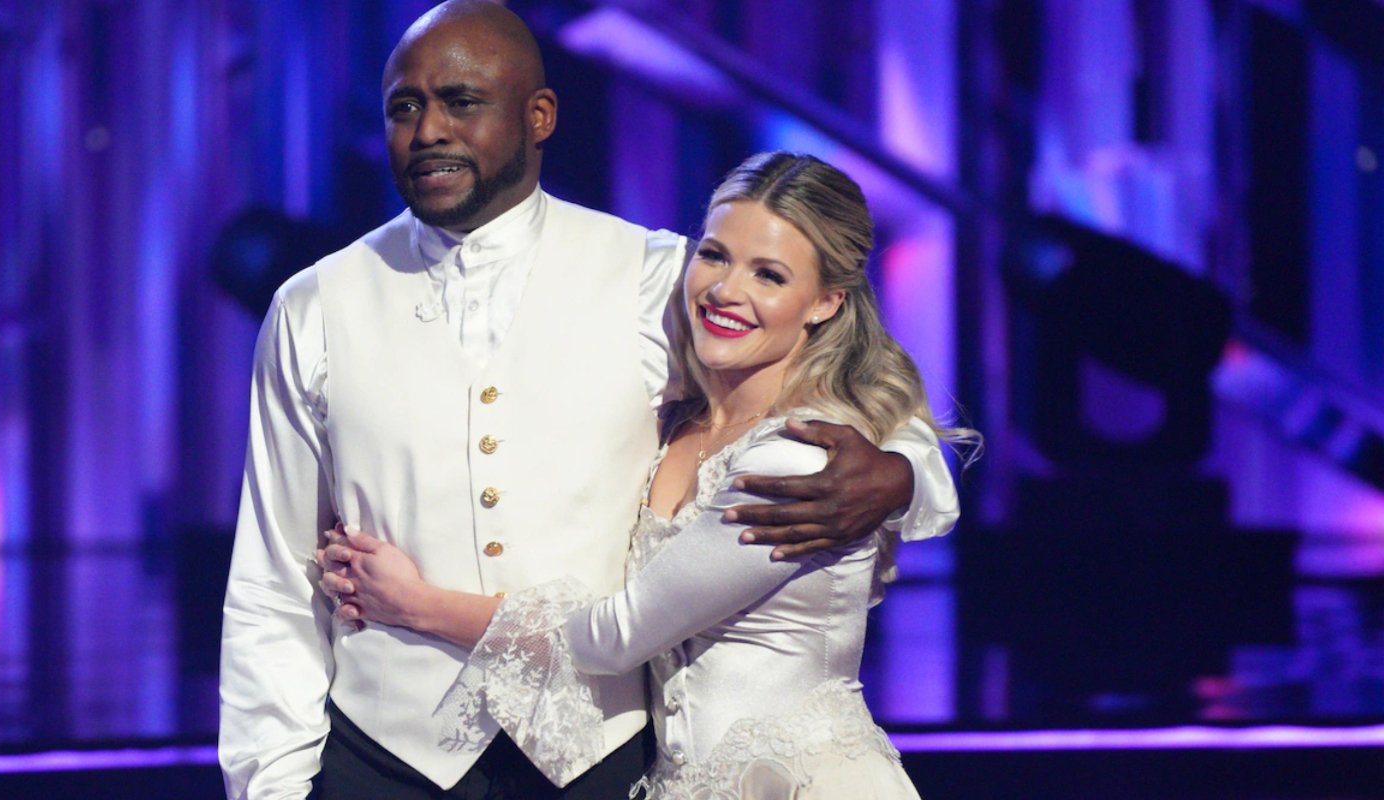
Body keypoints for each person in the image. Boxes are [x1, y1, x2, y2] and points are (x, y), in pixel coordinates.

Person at [217, 2, 958, 798]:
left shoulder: (654, 276)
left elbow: (855, 384)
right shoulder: (315, 306)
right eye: (405, 106)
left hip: (597, 760)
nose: (428, 129)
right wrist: (271, 787)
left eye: (461, 101)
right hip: (386, 756)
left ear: (539, 115)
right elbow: (272, 580)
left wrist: (902, 473)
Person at [322, 151, 976, 799]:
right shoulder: (685, 420)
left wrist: (417, 605)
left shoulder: (798, 458)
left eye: (769, 275)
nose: (726, 290)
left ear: (825, 301)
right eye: (715, 255)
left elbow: (616, 636)